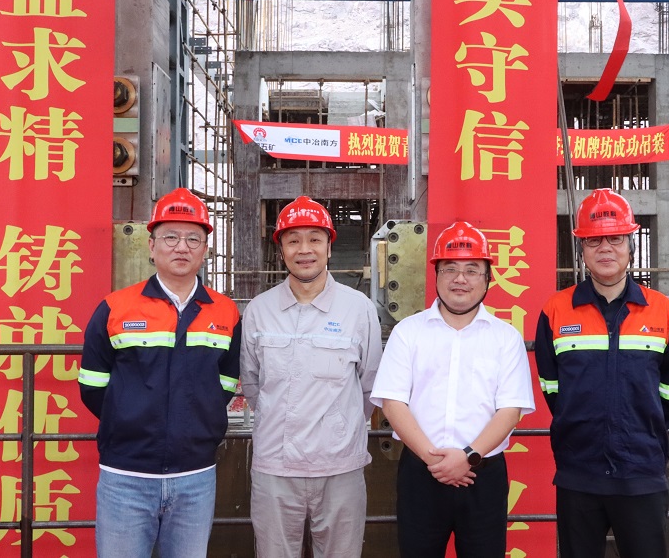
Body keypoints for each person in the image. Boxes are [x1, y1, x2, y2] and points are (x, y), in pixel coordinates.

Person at [77, 187, 241, 558]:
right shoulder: (115, 309)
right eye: (170, 237)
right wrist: (130, 419)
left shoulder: (225, 312)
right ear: (151, 246)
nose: (182, 247)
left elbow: (226, 383)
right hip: (126, 477)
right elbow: (92, 387)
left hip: (195, 477)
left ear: (205, 249)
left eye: (193, 238)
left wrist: (196, 422)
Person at [534, 188, 669, 558]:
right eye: (594, 240)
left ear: (631, 246)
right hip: (578, 472)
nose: (605, 248)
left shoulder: (660, 310)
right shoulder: (556, 311)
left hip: (641, 472)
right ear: (582, 250)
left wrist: (641, 429)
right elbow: (551, 387)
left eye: (616, 238)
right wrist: (582, 424)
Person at [370, 221, 535, 558]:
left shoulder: (505, 338)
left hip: (482, 475)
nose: (461, 279)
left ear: (488, 278)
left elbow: (510, 409)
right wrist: (435, 461)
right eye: (450, 269)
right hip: (421, 472)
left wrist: (469, 456)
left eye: (472, 270)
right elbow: (393, 402)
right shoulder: (408, 333)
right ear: (436, 275)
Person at [240, 195, 382, 558]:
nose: (304, 250)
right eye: (293, 240)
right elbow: (253, 385)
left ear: (329, 247)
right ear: (281, 250)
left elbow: (369, 386)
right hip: (275, 467)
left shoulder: (358, 310)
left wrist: (337, 427)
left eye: (315, 239)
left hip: (340, 467)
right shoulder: (259, 311)